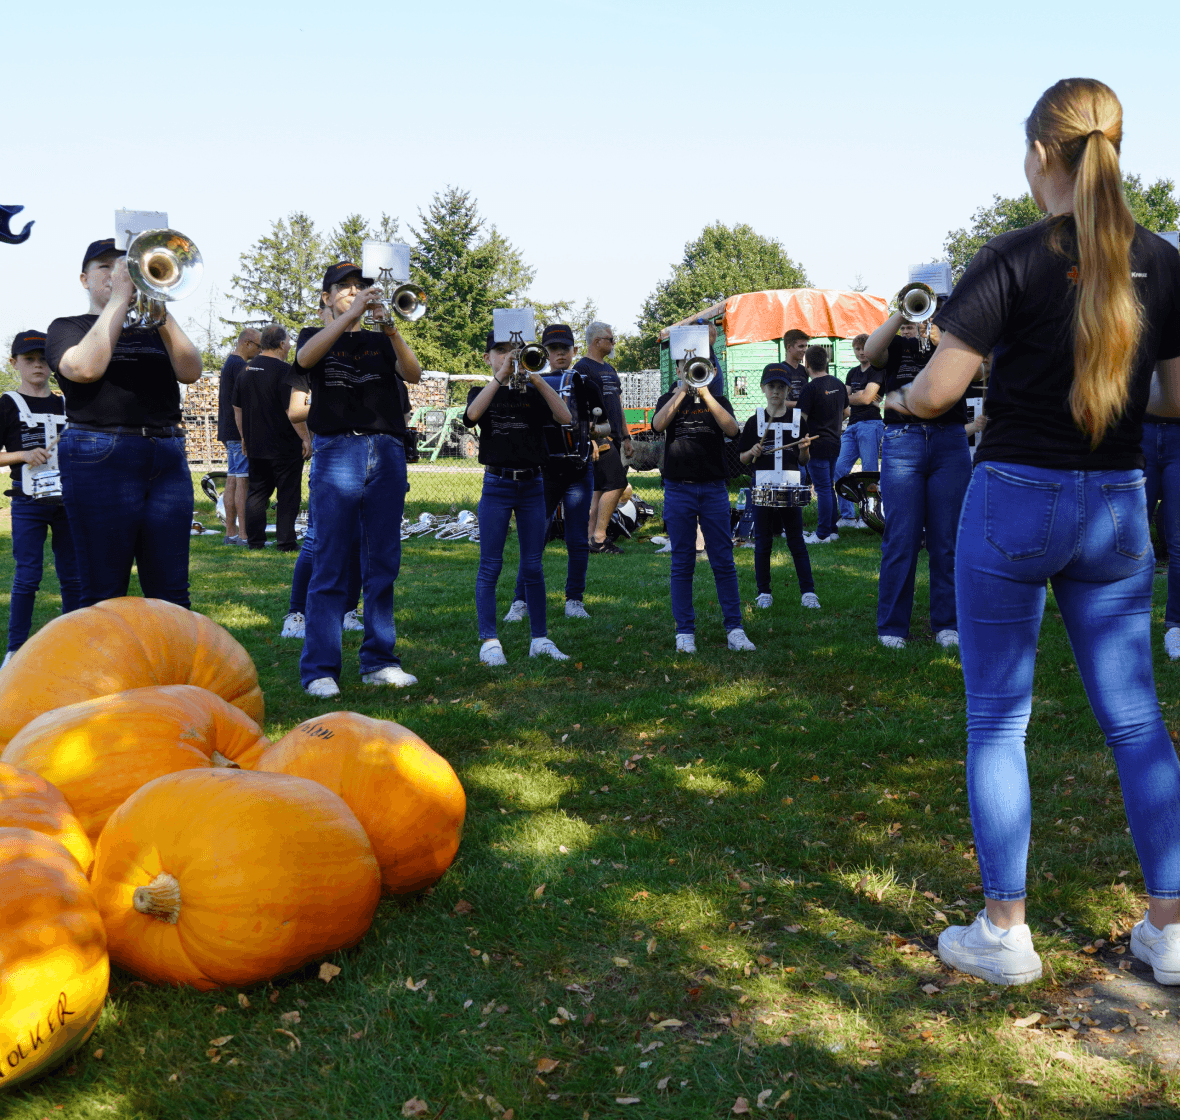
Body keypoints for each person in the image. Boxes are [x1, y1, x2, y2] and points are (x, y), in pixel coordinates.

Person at [888, 78, 1180, 987]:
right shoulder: (1163, 260)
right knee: (1135, 722)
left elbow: (936, 392)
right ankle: (1171, 931)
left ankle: (1006, 932)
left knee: (998, 718)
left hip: (1016, 496)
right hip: (1119, 503)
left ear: (1042, 153)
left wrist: (897, 397)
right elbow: (1179, 400)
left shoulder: (1011, 256)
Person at [45, 237, 203, 608]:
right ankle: (95, 668)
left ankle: (169, 667)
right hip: (100, 454)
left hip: (165, 453)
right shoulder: (66, 326)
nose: (119, 271)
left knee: (172, 592)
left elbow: (191, 370)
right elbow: (85, 368)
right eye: (106, 266)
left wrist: (156, 304)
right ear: (84, 279)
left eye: (126, 264)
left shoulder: (154, 329)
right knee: (102, 591)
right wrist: (119, 298)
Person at [291, 261, 422, 697]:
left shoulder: (378, 339)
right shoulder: (314, 336)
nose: (354, 292)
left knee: (382, 562)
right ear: (325, 297)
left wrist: (390, 328)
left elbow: (414, 373)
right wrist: (350, 316)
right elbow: (305, 361)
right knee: (330, 561)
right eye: (344, 288)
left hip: (385, 449)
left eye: (360, 288)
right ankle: (320, 670)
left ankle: (380, 661)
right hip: (337, 451)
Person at [864, 297, 970, 650]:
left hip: (950, 440)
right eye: (926, 305)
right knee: (901, 537)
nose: (930, 313)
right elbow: (871, 350)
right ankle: (893, 626)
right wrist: (902, 309)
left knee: (947, 539)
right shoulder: (898, 343)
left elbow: (984, 370)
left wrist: (947, 346)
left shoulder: (956, 341)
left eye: (936, 305)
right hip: (903, 440)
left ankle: (948, 624)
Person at [464, 327, 574, 667]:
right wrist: (500, 376)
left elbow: (566, 417)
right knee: (490, 566)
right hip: (497, 484)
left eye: (515, 351)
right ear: (487, 357)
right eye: (501, 352)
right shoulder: (481, 391)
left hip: (532, 485)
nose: (509, 357)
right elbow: (472, 416)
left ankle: (539, 638)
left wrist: (536, 377)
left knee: (532, 565)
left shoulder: (534, 391)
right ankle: (489, 640)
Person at [504, 323, 605, 624]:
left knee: (576, 538)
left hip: (577, 469)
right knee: (535, 537)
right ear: (544, 352)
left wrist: (595, 434)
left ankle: (574, 599)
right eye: (554, 349)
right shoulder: (532, 381)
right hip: (544, 471)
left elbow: (605, 422)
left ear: (574, 350)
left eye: (565, 348)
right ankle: (519, 601)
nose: (560, 353)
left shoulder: (585, 381)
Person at [652, 358, 755, 653]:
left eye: (698, 366)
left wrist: (705, 392)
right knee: (682, 562)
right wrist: (683, 390)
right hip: (678, 488)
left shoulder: (718, 399)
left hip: (713, 488)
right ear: (677, 369)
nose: (692, 371)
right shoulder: (668, 398)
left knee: (723, 561)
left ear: (712, 371)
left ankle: (734, 629)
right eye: (685, 365)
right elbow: (658, 425)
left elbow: (733, 430)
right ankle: (684, 631)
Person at [0, 331, 80, 667]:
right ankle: (15, 649)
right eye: (29, 359)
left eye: (43, 359)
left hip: (68, 503)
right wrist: (21, 454)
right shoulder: (6, 404)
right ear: (14, 362)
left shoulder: (66, 403)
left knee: (73, 577)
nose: (37, 365)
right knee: (28, 576)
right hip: (28, 504)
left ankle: (75, 644)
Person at [737, 366, 819, 612]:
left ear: (787, 390)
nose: (776, 392)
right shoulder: (754, 422)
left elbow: (804, 461)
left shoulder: (797, 420)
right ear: (763, 389)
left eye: (781, 387)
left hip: (791, 485)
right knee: (763, 541)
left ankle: (808, 592)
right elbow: (742, 459)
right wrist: (752, 452)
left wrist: (804, 448)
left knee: (796, 540)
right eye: (771, 386)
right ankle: (764, 591)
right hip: (762, 484)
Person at [233, 323, 309, 552]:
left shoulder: (245, 371)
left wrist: (244, 437)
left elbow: (237, 409)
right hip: (284, 444)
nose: (289, 346)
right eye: (288, 342)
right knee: (288, 494)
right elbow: (291, 411)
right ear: (281, 344)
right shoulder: (285, 371)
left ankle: (255, 542)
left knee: (257, 493)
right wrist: (306, 439)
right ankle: (286, 542)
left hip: (256, 443)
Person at [577, 321, 632, 554]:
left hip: (617, 437)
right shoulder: (582, 368)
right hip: (599, 436)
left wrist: (627, 435)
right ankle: (600, 539)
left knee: (599, 489)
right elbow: (577, 407)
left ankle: (589, 538)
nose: (613, 342)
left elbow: (617, 404)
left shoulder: (610, 370)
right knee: (617, 484)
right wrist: (590, 437)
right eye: (610, 339)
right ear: (597, 341)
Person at [797, 345, 848, 544]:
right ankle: (833, 530)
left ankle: (823, 534)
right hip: (835, 442)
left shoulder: (810, 388)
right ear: (826, 362)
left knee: (823, 488)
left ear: (806, 363)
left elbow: (801, 420)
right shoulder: (838, 383)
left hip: (816, 445)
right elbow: (845, 412)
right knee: (829, 486)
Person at [835, 333, 883, 528]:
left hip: (870, 424)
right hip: (852, 425)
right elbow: (845, 401)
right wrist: (862, 396)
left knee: (869, 471)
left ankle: (870, 515)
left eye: (864, 348)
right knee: (839, 468)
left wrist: (857, 396)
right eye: (857, 349)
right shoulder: (852, 373)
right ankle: (847, 516)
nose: (861, 352)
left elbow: (863, 399)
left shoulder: (877, 370)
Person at [217, 328, 260, 545]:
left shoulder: (229, 363)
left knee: (233, 479)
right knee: (242, 480)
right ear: (247, 343)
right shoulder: (240, 366)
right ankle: (243, 535)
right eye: (259, 347)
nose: (260, 351)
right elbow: (246, 402)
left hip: (228, 430)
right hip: (238, 432)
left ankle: (230, 533)